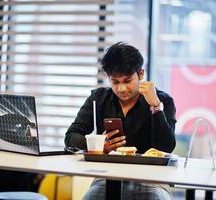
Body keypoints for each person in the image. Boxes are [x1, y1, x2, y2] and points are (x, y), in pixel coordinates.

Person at [65, 42, 176, 200]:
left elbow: (167, 147)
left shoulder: (163, 100)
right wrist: (98, 146)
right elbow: (71, 137)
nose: (121, 89)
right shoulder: (99, 99)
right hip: (107, 177)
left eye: (127, 81)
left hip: (151, 180)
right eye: (115, 82)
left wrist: (155, 107)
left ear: (141, 74)